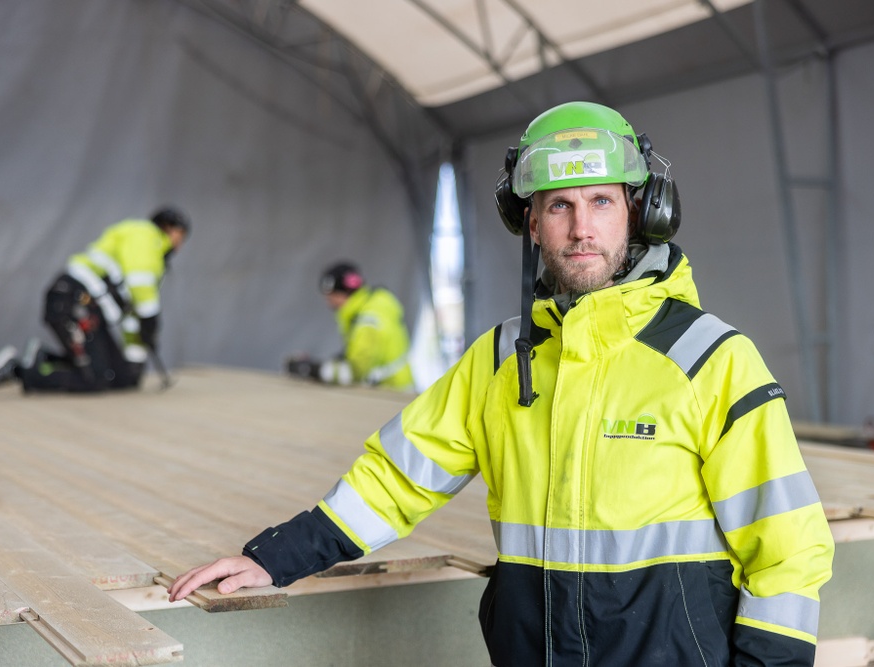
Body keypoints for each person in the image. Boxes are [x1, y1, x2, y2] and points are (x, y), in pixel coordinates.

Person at [168, 102, 834, 666]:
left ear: (640, 211)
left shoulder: (710, 358)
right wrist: (276, 557)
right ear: (531, 224)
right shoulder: (497, 361)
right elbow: (396, 479)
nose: (581, 227)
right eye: (559, 206)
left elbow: (788, 546)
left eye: (601, 201)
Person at [0, 207, 190, 395]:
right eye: (181, 235)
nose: (180, 244)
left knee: (120, 377)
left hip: (89, 307)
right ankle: (18, 370)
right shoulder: (146, 236)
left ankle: (44, 357)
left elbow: (133, 313)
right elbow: (140, 286)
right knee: (95, 378)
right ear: (169, 228)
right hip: (74, 301)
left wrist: (136, 355)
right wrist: (150, 321)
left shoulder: (152, 250)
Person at [284, 261, 414, 392]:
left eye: (330, 297)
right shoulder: (375, 304)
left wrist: (309, 369)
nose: (329, 303)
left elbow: (355, 372)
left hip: (390, 394)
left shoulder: (367, 322)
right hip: (398, 390)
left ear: (342, 294)